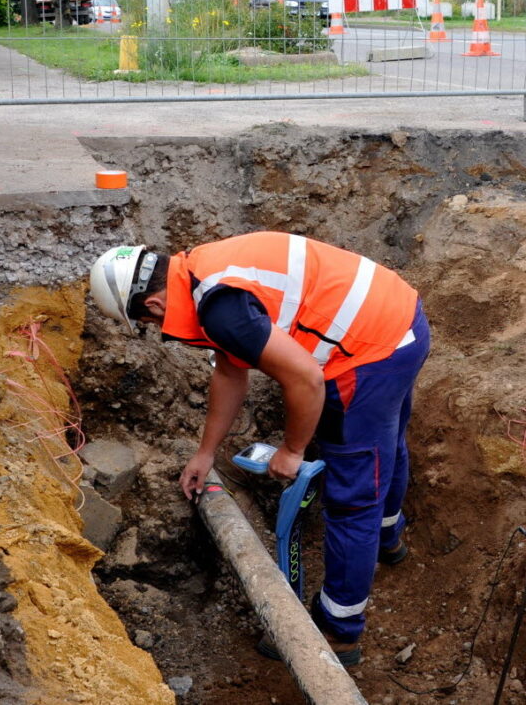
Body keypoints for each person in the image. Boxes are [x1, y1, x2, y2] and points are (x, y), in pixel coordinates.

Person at [89, 232, 430, 666]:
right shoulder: (201, 273)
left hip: (369, 353)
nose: (156, 329)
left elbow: (306, 378)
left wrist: (292, 449)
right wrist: (205, 453)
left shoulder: (221, 309)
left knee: (352, 500)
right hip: (400, 318)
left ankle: (339, 632)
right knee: (385, 444)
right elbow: (231, 371)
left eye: (149, 324)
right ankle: (388, 537)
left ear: (152, 306)